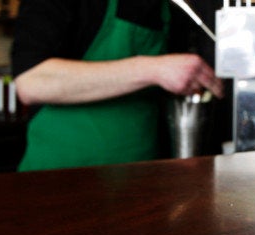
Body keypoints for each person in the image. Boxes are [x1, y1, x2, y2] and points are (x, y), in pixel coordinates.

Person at [12, 0, 224, 172]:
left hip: (142, 176)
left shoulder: (167, 9)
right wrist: (153, 70)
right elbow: (31, 81)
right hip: (63, 177)